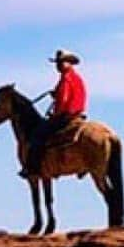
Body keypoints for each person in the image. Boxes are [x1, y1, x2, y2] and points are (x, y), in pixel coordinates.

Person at [22, 49, 87, 177]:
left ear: (69, 63)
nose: (59, 65)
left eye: (62, 62)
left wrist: (56, 114)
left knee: (37, 134)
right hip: (77, 113)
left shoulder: (67, 78)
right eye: (58, 62)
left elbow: (64, 99)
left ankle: (33, 167)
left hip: (66, 115)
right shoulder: (75, 78)